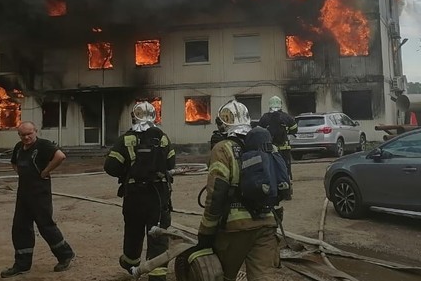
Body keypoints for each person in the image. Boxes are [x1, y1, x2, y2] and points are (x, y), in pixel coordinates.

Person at [195, 100, 279, 281]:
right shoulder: (266, 146)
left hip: (236, 228)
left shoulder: (222, 149)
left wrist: (205, 233)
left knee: (221, 276)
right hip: (267, 223)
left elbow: (216, 194)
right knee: (264, 277)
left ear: (223, 124)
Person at [104, 101, 176, 279]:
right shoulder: (163, 138)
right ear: (154, 117)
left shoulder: (126, 139)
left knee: (133, 231)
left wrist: (129, 172)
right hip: (159, 195)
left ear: (133, 117)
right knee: (158, 237)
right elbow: (171, 163)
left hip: (135, 195)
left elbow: (110, 167)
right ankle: (157, 276)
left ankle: (130, 263)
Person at [1, 121, 75, 278]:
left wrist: (46, 171)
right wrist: (22, 173)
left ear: (36, 131)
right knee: (20, 227)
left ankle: (65, 255)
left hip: (40, 193)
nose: (26, 137)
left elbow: (60, 156)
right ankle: (22, 264)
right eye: (23, 135)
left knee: (45, 226)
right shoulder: (19, 147)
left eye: (29, 134)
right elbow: (14, 163)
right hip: (23, 194)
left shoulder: (43, 145)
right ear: (19, 135)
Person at [257, 96, 297, 182]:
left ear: (269, 105)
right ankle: (288, 182)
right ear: (280, 105)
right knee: (286, 167)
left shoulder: (265, 117)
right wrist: (287, 131)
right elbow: (295, 128)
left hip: (269, 149)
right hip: (285, 149)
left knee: (270, 167)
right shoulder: (286, 116)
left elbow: (258, 131)